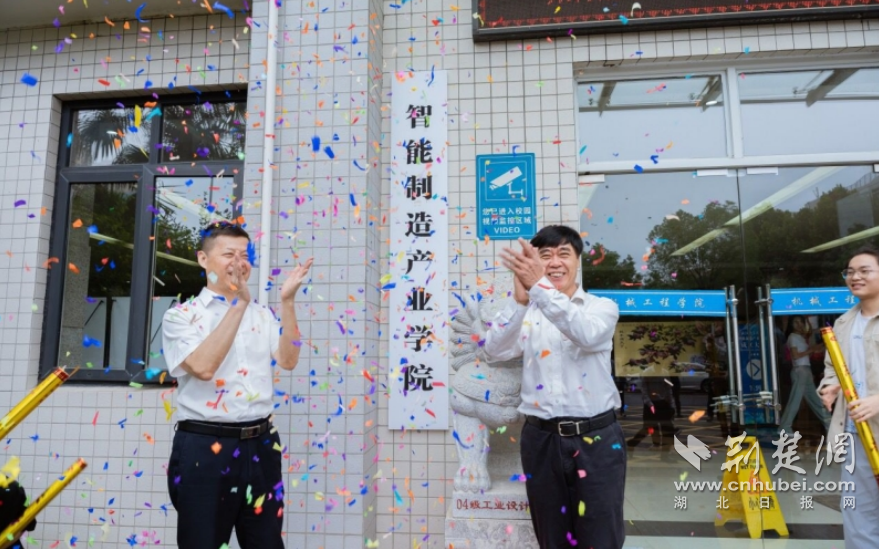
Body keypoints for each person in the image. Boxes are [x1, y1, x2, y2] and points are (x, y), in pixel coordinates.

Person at [162, 222, 312, 549]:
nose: (238, 262)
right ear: (203, 259)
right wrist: (239, 303)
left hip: (261, 447)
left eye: (244, 255)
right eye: (228, 253)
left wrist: (287, 303)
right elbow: (202, 367)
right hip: (205, 448)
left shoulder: (262, 314)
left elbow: (288, 359)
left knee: (266, 543)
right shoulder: (181, 316)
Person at [479, 225, 624, 549]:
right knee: (552, 537)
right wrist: (519, 301)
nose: (554, 262)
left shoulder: (601, 308)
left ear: (578, 261)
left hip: (596, 440)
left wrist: (539, 288)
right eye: (544, 255)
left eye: (563, 254)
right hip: (541, 440)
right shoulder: (528, 312)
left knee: (601, 537)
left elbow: (586, 334)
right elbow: (494, 350)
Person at [819, 246, 879, 549]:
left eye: (864, 270)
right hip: (854, 433)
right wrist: (831, 386)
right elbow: (833, 368)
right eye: (850, 272)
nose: (855, 277)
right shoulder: (842, 323)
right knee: (858, 513)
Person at [779, 315, 830, 434]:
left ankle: (830, 424)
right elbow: (795, 355)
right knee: (795, 401)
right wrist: (812, 350)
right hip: (799, 370)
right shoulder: (792, 337)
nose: (798, 325)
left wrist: (820, 347)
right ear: (791, 325)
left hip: (806, 370)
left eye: (800, 322)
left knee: (815, 400)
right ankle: (784, 427)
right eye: (795, 322)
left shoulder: (801, 337)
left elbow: (811, 352)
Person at [627, 375, 676, 458]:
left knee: (668, 431)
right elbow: (644, 391)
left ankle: (665, 455)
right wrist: (650, 405)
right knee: (648, 429)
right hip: (651, 405)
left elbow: (668, 390)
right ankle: (631, 445)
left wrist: (671, 405)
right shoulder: (647, 374)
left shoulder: (664, 373)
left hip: (663, 404)